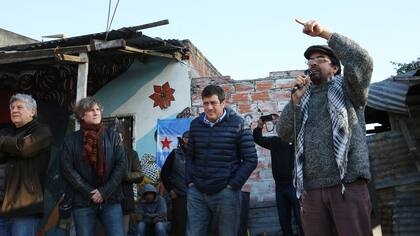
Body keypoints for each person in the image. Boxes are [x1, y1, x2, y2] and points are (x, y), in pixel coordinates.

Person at [277, 19, 373, 236]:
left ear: (335, 68)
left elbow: (362, 59)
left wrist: (324, 34)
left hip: (347, 185)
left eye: (321, 59)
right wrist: (294, 101)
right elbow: (284, 133)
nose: (313, 63)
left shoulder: (351, 90)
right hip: (310, 190)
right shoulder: (304, 98)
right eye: (310, 60)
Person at [186, 84, 258, 236]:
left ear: (223, 103)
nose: (209, 107)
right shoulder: (195, 125)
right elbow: (189, 156)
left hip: (226, 193)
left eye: (213, 103)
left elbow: (251, 159)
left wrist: (233, 185)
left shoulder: (238, 124)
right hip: (197, 192)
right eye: (206, 103)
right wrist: (190, 183)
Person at [60, 97, 127, 236]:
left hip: (111, 199)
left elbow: (121, 164)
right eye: (91, 110)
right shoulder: (71, 140)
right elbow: (67, 169)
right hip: (82, 201)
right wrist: (89, 192)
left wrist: (104, 192)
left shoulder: (112, 136)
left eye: (97, 110)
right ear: (82, 115)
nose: (96, 113)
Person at [0, 93, 52, 235]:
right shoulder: (6, 131)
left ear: (32, 112)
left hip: (25, 204)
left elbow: (25, 149)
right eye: (12, 108)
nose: (14, 110)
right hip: (3, 203)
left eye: (19, 107)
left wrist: (6, 144)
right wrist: (14, 146)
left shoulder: (42, 130)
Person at [253, 115, 303, 236]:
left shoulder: (295, 140)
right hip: (280, 187)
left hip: (294, 185)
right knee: (284, 220)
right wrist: (260, 125)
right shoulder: (274, 141)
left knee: (300, 219)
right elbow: (257, 138)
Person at [160, 131, 189, 236]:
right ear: (183, 140)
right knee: (179, 227)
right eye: (188, 138)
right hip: (179, 196)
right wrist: (170, 190)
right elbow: (164, 173)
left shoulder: (197, 155)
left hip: (195, 197)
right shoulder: (175, 153)